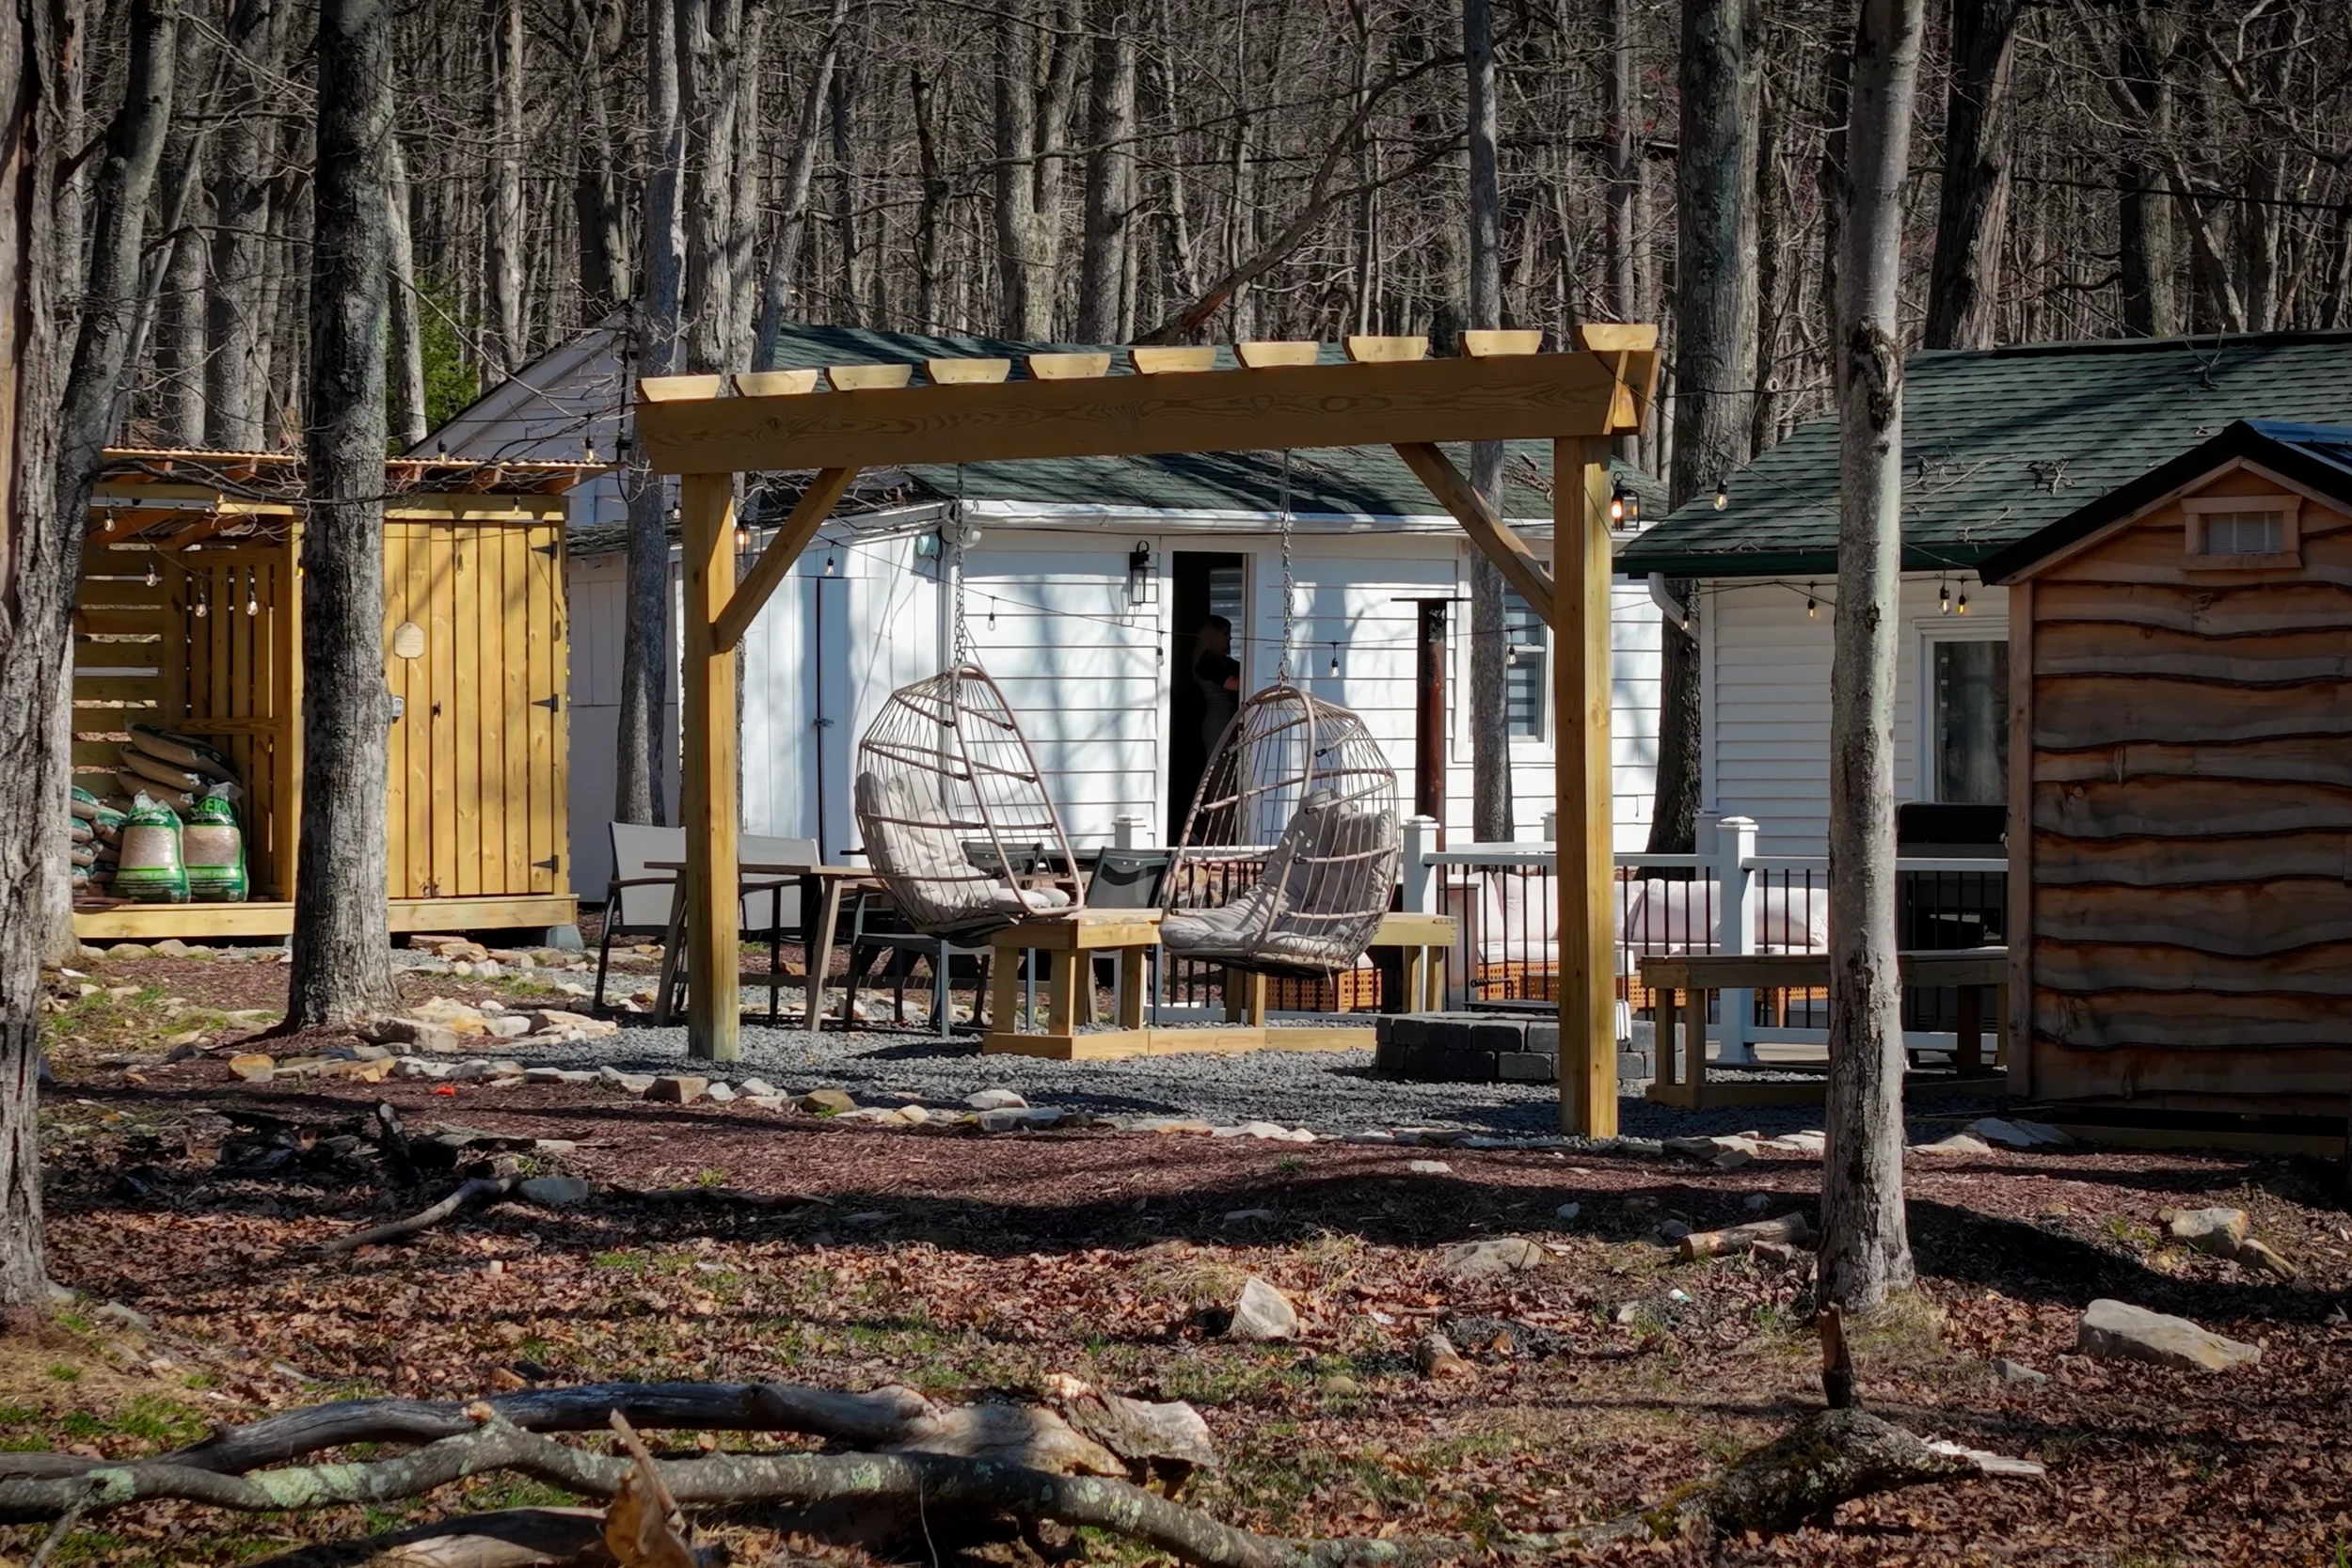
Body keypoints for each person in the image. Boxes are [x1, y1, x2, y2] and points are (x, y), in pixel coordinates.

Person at [1193, 615, 1241, 752]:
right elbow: (1234, 684)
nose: (1230, 638)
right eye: (1225, 634)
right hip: (1219, 721)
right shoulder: (1207, 663)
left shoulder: (1225, 661)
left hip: (1230, 718)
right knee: (1220, 762)